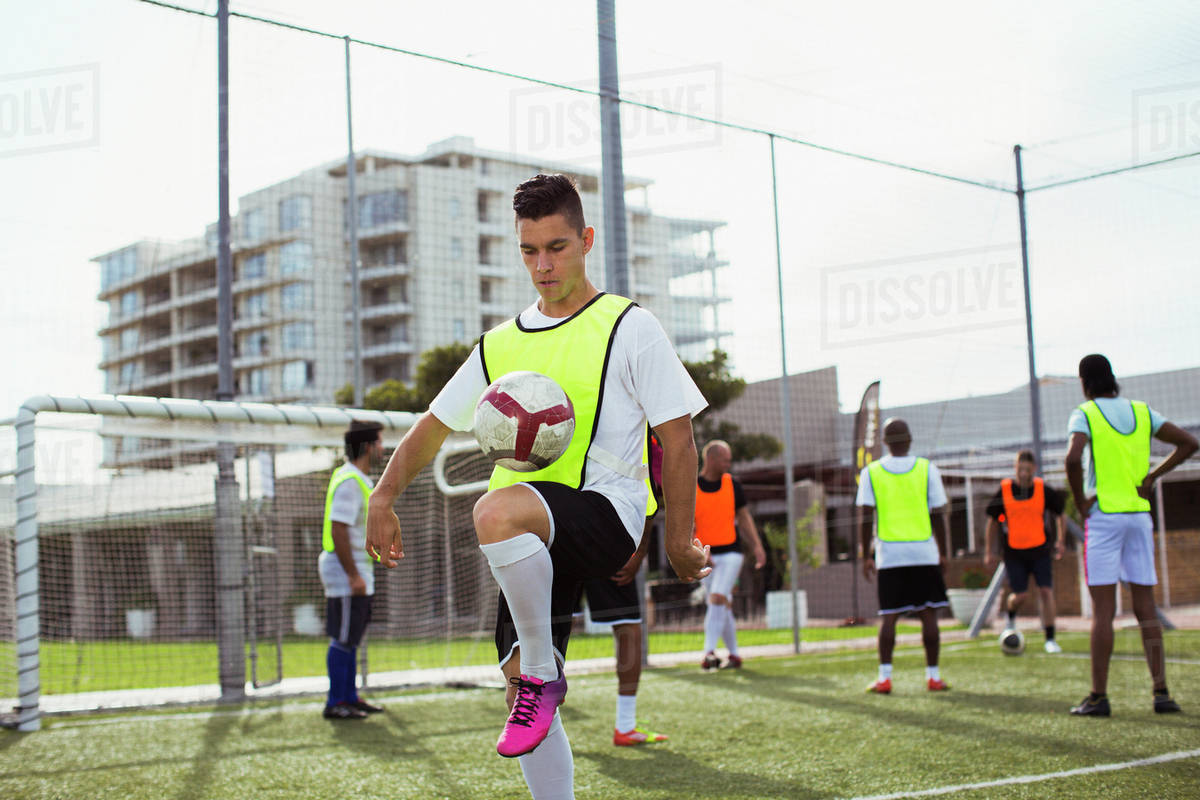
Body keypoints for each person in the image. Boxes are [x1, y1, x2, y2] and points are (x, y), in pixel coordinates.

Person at [365, 173, 710, 800]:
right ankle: (539, 696)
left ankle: (543, 677)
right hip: (529, 538)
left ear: (586, 240)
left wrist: (681, 539)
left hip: (607, 514)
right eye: (529, 250)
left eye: (556, 247)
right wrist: (383, 495)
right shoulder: (501, 344)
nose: (543, 264)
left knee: (494, 512)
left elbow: (679, 439)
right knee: (515, 680)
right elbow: (434, 424)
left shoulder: (628, 326)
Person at [1064, 354, 1197, 717]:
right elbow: (1188, 443)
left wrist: (1080, 502)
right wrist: (1152, 476)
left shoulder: (1085, 413)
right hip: (1139, 518)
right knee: (1146, 609)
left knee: (1103, 612)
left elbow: (1073, 459)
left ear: (1084, 382)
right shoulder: (1141, 411)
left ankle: (1098, 697)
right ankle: (1161, 693)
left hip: (1104, 518)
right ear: (1113, 379)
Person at [580, 432, 669, 747]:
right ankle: (541, 724)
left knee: (629, 630)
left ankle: (625, 724)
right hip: (561, 530)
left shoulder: (646, 436)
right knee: (543, 631)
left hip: (606, 537)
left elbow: (651, 498)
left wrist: (638, 554)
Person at [857, 418, 951, 694]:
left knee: (889, 617)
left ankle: (884, 678)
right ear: (910, 440)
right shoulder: (927, 469)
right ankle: (933, 677)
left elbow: (865, 516)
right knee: (929, 614)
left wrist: (866, 555)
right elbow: (938, 514)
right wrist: (943, 552)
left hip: (890, 555)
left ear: (885, 443)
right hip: (924, 553)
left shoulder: (871, 472)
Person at [320, 419, 386, 720]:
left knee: (352, 636)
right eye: (381, 443)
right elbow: (338, 529)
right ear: (369, 446)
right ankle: (336, 702)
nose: (383, 449)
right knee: (343, 637)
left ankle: (349, 697)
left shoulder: (359, 479)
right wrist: (353, 575)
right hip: (346, 571)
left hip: (358, 570)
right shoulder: (349, 480)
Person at [983, 449, 1066, 653]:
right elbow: (992, 522)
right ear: (1015, 468)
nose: (1023, 473)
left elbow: (1060, 514)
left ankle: (1050, 639)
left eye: (1027, 470)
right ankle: (1010, 620)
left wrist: (1061, 540)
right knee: (1019, 596)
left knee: (1046, 591)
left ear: (1034, 469)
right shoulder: (1004, 490)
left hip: (1040, 550)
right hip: (1014, 552)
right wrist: (989, 551)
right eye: (1020, 469)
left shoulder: (1042, 489)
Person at [694, 439, 766, 670]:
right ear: (711, 459)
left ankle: (708, 652)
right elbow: (687, 524)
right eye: (725, 459)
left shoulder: (732, 484)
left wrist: (756, 545)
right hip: (706, 556)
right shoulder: (691, 486)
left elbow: (744, 517)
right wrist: (696, 552)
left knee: (716, 598)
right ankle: (734, 655)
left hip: (731, 554)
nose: (729, 463)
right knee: (721, 605)